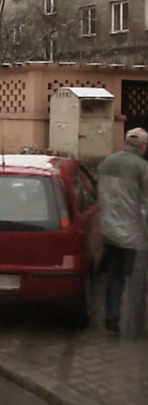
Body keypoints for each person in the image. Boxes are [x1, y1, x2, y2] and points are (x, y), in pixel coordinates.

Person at [96, 127, 148, 336]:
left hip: (109, 231)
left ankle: (112, 313)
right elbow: (145, 205)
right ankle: (136, 322)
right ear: (142, 146)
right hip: (134, 234)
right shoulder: (143, 168)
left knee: (115, 273)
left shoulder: (106, 163)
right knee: (138, 279)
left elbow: (100, 195)